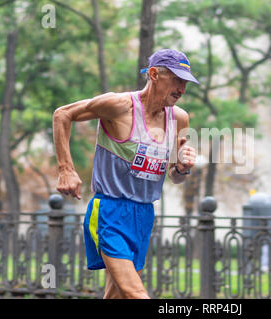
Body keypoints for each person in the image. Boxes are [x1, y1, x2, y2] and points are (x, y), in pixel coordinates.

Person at [52, 49, 199, 299]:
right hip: (109, 211)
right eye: (176, 80)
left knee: (118, 295)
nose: (181, 89)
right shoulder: (119, 106)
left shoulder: (180, 118)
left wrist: (182, 168)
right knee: (135, 293)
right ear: (153, 74)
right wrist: (66, 169)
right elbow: (62, 114)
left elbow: (174, 176)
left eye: (185, 83)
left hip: (143, 214)